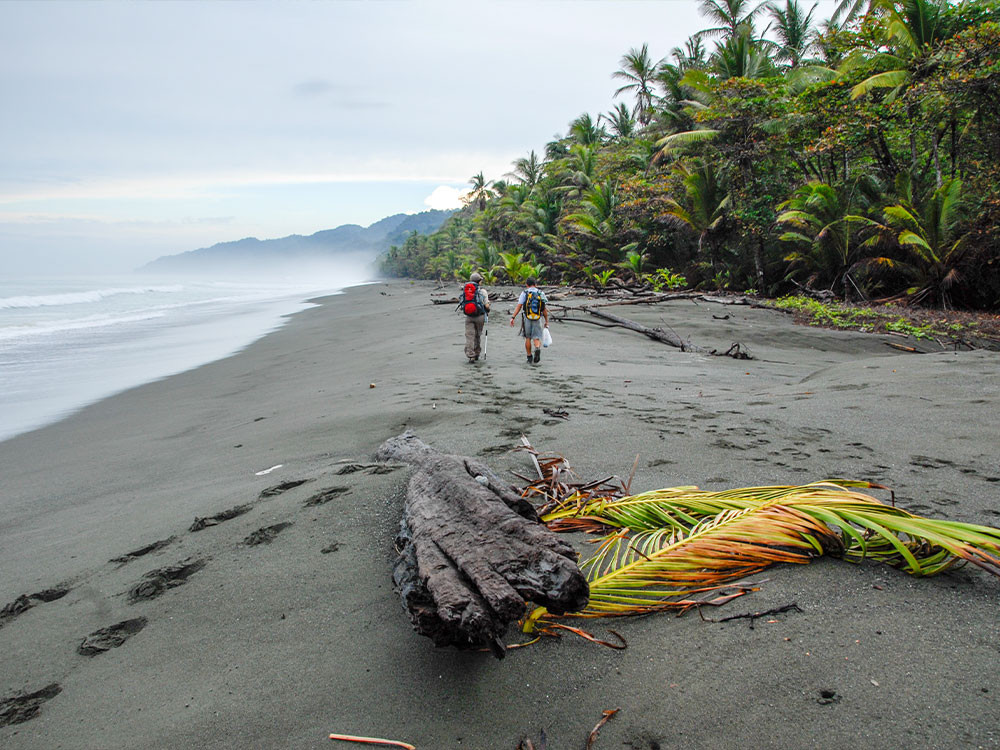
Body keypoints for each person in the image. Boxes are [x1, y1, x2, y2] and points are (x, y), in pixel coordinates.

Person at [509, 277, 549, 364]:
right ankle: (537, 348)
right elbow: (544, 309)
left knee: (528, 337)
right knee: (536, 337)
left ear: (527, 285)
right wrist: (546, 321)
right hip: (537, 317)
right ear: (536, 284)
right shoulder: (540, 293)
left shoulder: (524, 293)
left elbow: (519, 306)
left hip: (527, 317)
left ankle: (529, 356)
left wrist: (513, 317)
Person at [461, 272, 490, 363]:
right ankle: (477, 353)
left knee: (469, 336)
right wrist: (488, 309)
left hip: (468, 316)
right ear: (479, 281)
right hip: (479, 316)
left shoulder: (466, 291)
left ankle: (470, 355)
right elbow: (487, 305)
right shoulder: (482, 291)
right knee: (477, 335)